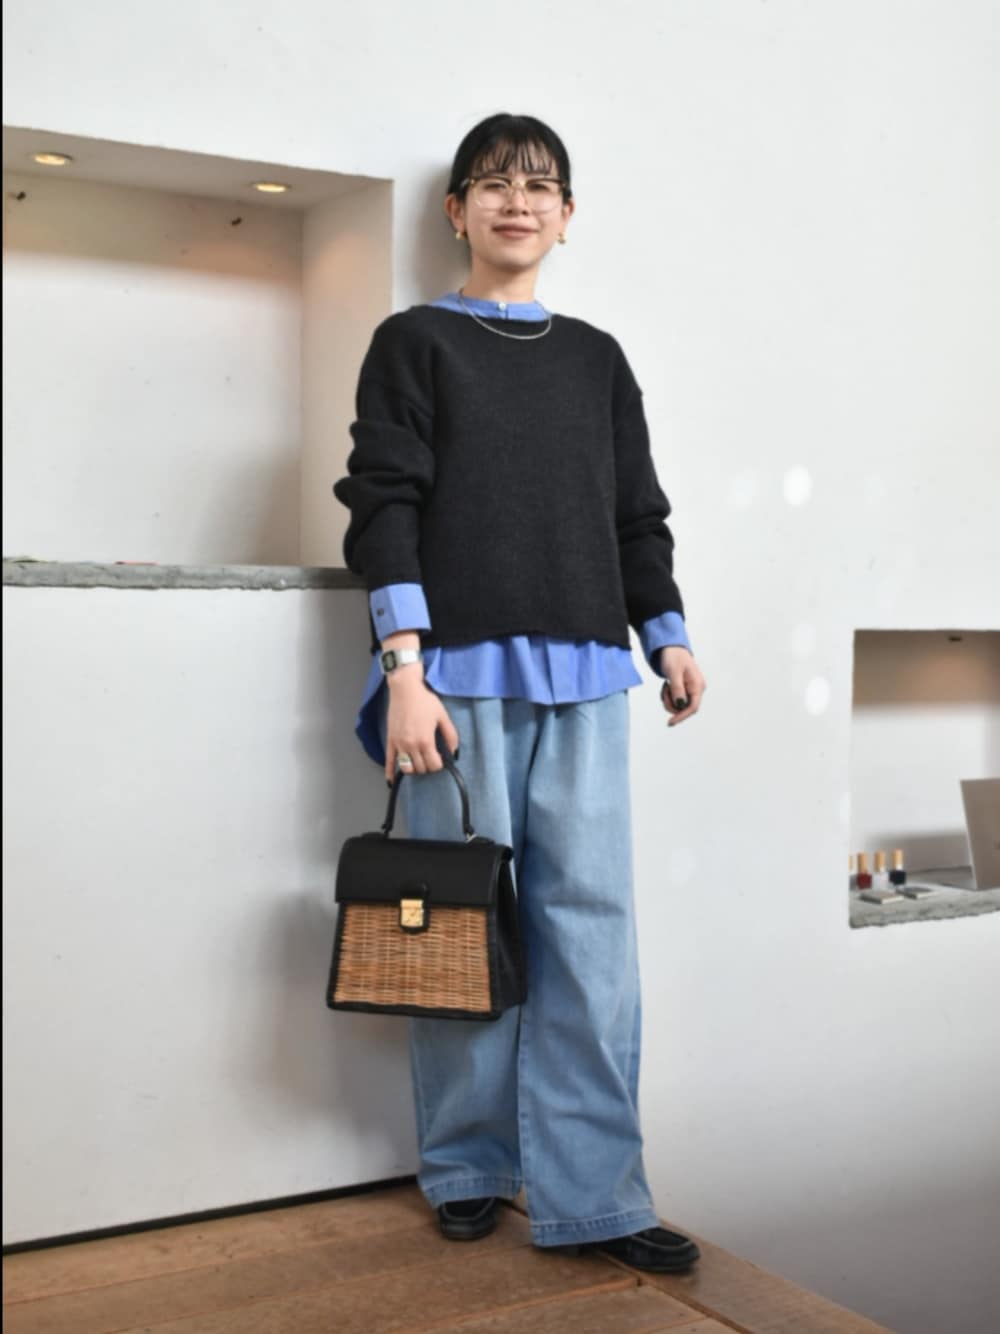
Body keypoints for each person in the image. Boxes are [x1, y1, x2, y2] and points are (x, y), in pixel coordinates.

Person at [333, 112, 707, 1273]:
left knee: (593, 939)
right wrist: (402, 669)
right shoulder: (412, 342)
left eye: (540, 185)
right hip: (450, 682)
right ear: (456, 210)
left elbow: (635, 514)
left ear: (567, 215)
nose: (517, 201)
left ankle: (598, 1193)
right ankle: (467, 1165)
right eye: (493, 183)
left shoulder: (597, 359)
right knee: (454, 924)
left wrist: (667, 633)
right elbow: (382, 504)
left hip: (588, 675)